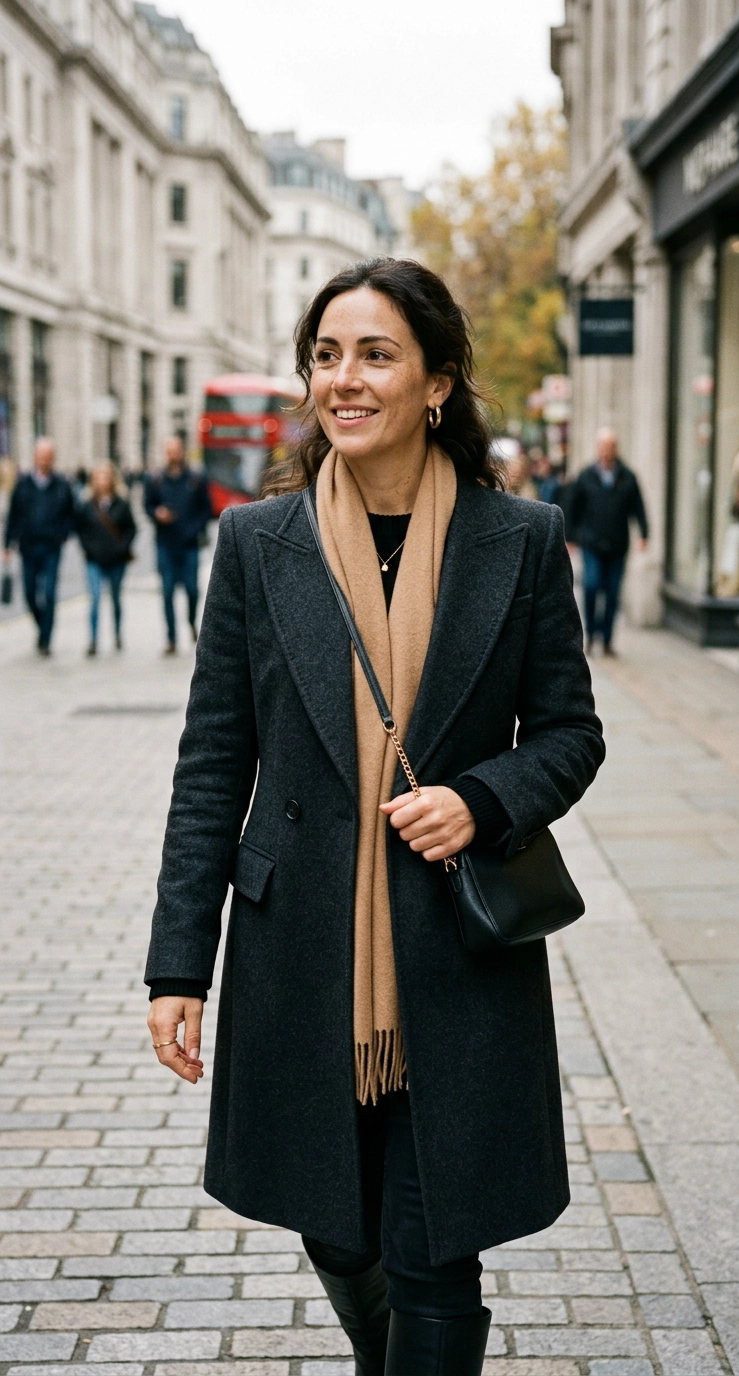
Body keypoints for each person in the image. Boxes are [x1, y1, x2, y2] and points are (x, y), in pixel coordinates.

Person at [144, 258, 605, 1376]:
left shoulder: (522, 538)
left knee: (435, 1244)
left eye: (376, 353)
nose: (343, 378)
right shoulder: (258, 544)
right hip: (301, 946)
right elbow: (213, 762)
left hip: (453, 953)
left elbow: (570, 732)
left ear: (438, 380)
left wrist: (482, 797)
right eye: (327, 354)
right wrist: (177, 967)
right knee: (336, 1227)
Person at [569, 427, 648, 656]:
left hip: (618, 545)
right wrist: (571, 537)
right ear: (597, 449)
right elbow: (573, 507)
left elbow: (638, 507)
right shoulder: (586, 476)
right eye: (603, 446)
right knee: (592, 586)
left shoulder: (627, 476)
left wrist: (644, 534)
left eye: (611, 446)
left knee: (613, 593)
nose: (607, 451)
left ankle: (607, 639)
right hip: (592, 544)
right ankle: (591, 634)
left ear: (616, 449)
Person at [2, 437, 74, 655]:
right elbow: (13, 515)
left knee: (50, 593)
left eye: (48, 456)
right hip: (28, 546)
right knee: (29, 593)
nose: (44, 460)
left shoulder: (62, 484)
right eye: (40, 456)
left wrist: (62, 534)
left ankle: (45, 639)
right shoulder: (22, 484)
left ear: (53, 458)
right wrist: (7, 545)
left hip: (52, 546)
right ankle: (42, 625)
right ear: (35, 457)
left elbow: (71, 515)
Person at [145, 437, 211, 654]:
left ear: (183, 451)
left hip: (190, 544)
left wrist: (194, 529)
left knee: (192, 590)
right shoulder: (155, 480)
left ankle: (191, 621)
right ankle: (171, 638)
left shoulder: (196, 479)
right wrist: (157, 514)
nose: (173, 454)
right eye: (169, 451)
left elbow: (206, 510)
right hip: (166, 544)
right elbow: (148, 505)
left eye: (176, 450)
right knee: (167, 592)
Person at [75, 461, 137, 655]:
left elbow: (131, 528)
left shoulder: (121, 503)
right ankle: (93, 640)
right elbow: (81, 530)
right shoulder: (87, 505)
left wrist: (122, 547)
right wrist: (88, 549)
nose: (102, 481)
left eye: (106, 477)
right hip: (94, 560)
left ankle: (117, 633)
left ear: (112, 480)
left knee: (116, 599)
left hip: (116, 560)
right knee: (94, 599)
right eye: (98, 477)